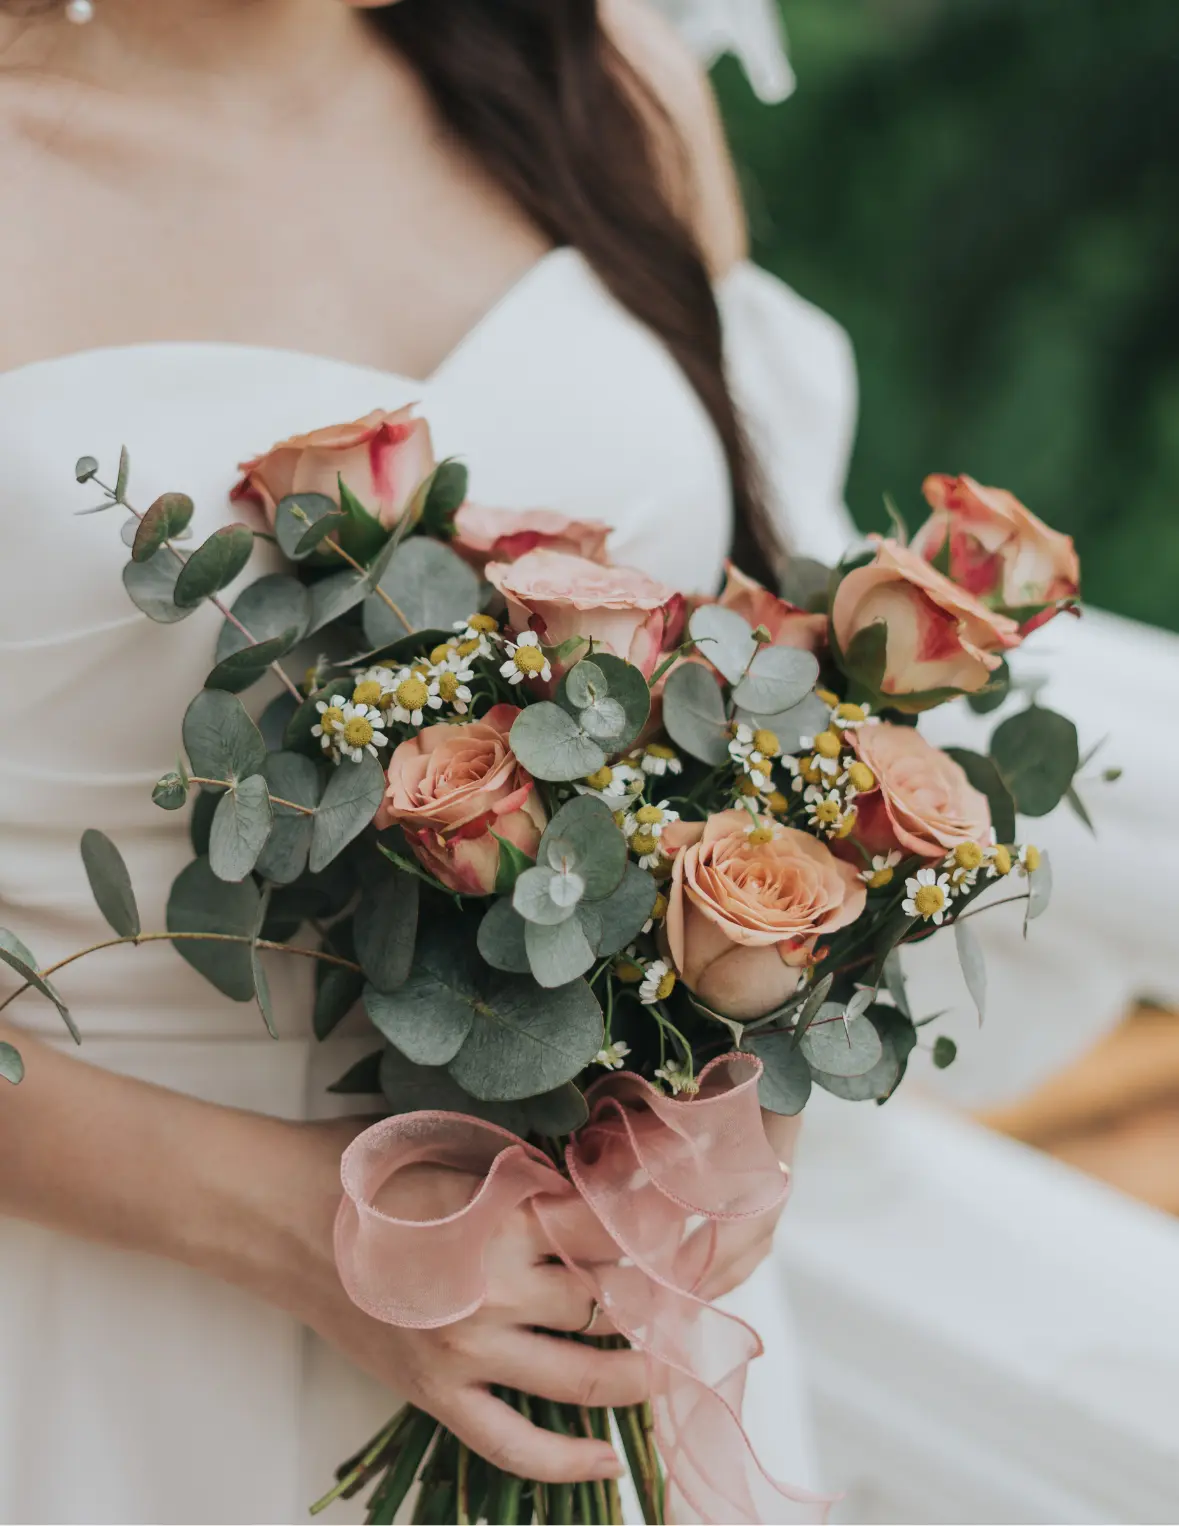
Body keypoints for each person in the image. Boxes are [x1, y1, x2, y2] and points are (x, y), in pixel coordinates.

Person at [0, 1, 855, 1519]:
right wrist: (299, 1223)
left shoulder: (600, 77)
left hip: (602, 1297)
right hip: (103, 1327)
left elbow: (769, 668)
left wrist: (741, 1073)